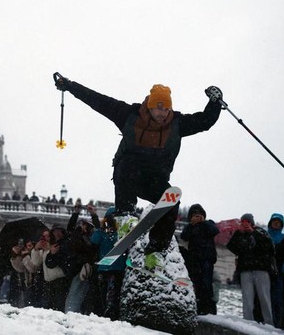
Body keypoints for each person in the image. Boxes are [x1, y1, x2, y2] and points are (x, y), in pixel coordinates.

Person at [54, 74, 222, 254]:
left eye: (166, 109)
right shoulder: (129, 115)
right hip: (127, 174)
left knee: (171, 200)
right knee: (130, 161)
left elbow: (204, 121)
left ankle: (156, 249)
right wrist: (71, 86)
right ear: (150, 106)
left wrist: (215, 102)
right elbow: (98, 100)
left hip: (153, 179)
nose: (162, 113)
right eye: (158, 109)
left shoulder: (177, 124)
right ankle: (126, 216)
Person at [226, 213, 274, 326]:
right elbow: (231, 247)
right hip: (245, 270)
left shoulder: (260, 232)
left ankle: (269, 323)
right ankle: (248, 323)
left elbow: (268, 246)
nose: (245, 224)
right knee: (247, 300)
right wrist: (238, 233)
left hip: (261, 269)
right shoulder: (239, 234)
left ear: (251, 223)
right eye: (243, 222)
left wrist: (252, 232)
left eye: (247, 222)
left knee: (264, 298)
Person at [180, 203, 219, 315]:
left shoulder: (208, 224)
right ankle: (197, 305)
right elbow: (184, 236)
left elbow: (215, 231)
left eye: (199, 214)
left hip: (207, 258)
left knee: (207, 283)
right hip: (194, 259)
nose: (197, 216)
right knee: (196, 283)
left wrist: (203, 222)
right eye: (194, 215)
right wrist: (191, 224)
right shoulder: (190, 227)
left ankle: (208, 307)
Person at [91, 207, 125, 320]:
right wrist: (101, 228)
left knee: (113, 296)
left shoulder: (121, 232)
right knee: (103, 295)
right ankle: (104, 315)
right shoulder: (103, 232)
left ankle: (111, 316)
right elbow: (94, 241)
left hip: (116, 269)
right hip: (104, 268)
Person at [266, 213, 284, 328]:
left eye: (279, 221)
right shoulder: (265, 236)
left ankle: (277, 324)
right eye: (274, 220)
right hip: (265, 272)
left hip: (279, 273)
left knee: (277, 300)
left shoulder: (283, 238)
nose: (276, 223)